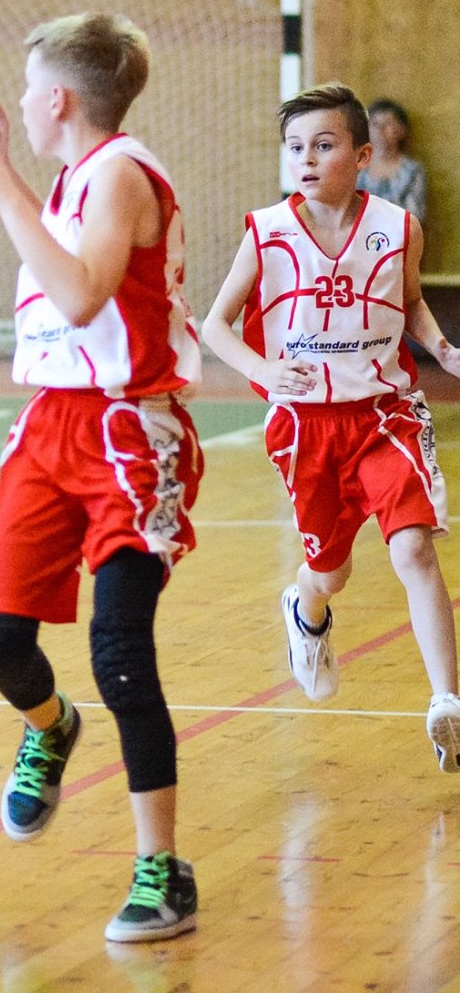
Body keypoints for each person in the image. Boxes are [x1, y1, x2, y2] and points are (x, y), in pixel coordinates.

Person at [0, 12, 203, 943]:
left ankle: (162, 871)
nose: (20, 103)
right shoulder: (71, 180)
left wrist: (0, 188)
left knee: (120, 650)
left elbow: (83, 292)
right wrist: (12, 174)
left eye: (29, 90)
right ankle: (51, 725)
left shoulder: (123, 174)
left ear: (58, 99)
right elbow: (63, 266)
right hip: (50, 428)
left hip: (128, 432)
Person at [197, 83, 459, 767]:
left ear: (362, 155)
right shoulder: (267, 232)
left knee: (414, 550)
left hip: (385, 414)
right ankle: (306, 609)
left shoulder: (398, 228)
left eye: (323, 144)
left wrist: (441, 348)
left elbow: (410, 302)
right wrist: (262, 367)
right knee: (330, 571)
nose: (307, 159)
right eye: (295, 147)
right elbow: (214, 325)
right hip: (307, 427)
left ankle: (447, 704)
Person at [360, 98, 428, 224]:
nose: (380, 130)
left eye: (388, 123)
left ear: (401, 130)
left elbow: (414, 217)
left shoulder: (412, 171)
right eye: (375, 124)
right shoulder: (356, 168)